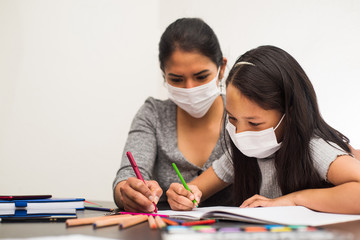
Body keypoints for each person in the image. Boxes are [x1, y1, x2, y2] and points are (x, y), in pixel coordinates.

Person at [167, 45, 360, 214]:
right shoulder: (240, 155)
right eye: (233, 118)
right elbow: (194, 190)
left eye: (254, 123)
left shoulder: (313, 148)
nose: (240, 133)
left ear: (289, 113)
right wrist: (183, 196)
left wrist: (293, 200)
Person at [113, 18, 234, 212]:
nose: (190, 88)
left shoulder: (243, 113)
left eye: (201, 76)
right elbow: (126, 178)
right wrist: (128, 193)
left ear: (222, 69)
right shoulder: (153, 114)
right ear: (164, 75)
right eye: (176, 79)